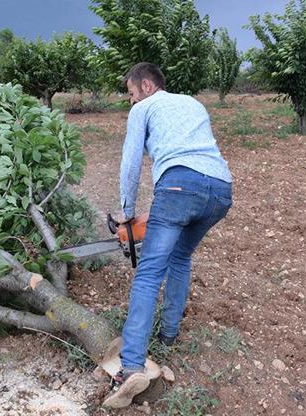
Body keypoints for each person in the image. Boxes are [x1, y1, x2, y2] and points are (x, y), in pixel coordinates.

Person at [103, 62, 233, 408]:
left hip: (178, 186)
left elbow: (130, 163)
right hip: (220, 190)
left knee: (147, 274)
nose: (131, 101)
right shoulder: (193, 103)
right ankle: (169, 334)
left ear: (145, 86)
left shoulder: (144, 108)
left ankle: (130, 367)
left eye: (130, 93)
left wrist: (128, 214)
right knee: (181, 256)